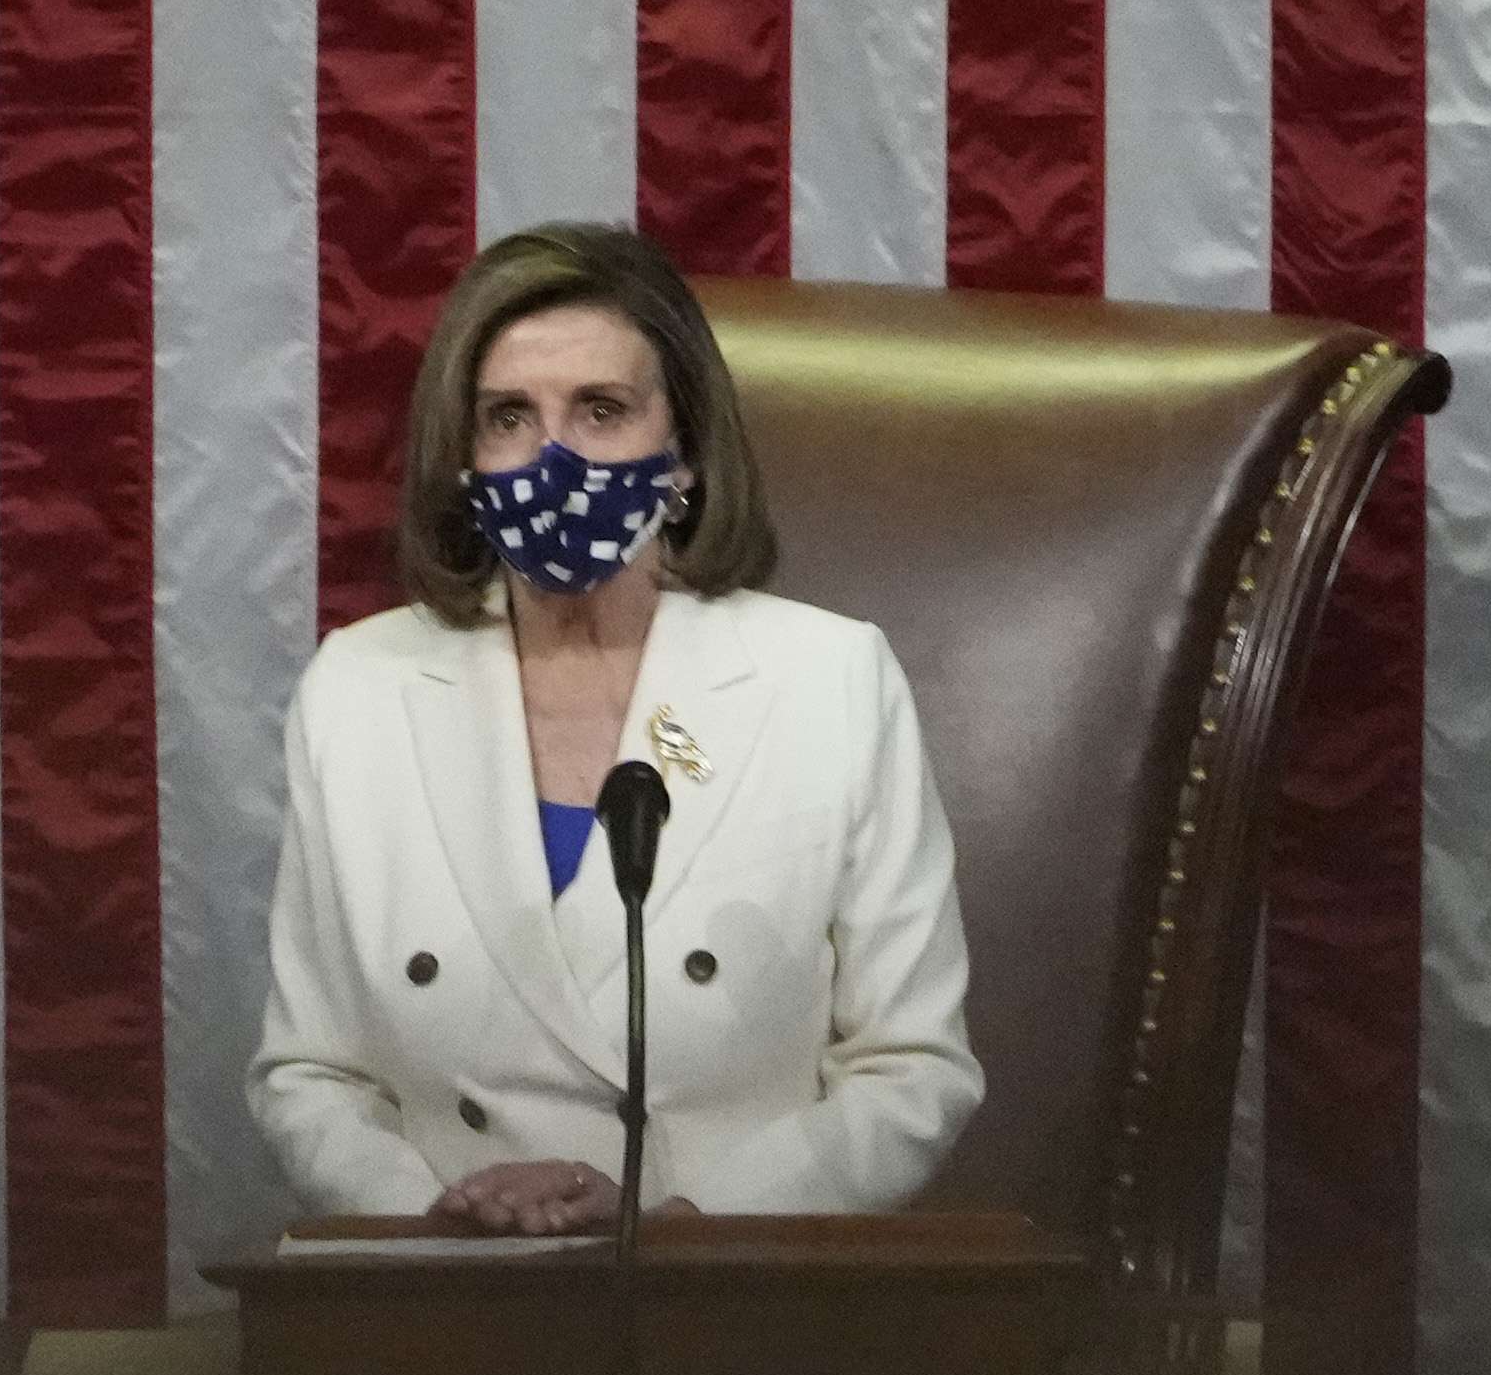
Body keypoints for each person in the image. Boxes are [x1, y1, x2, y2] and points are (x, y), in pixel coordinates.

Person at [255, 222, 981, 1231]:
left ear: (684, 452)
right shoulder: (360, 689)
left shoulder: (827, 680)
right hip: (445, 1287)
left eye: (601, 410)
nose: (552, 458)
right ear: (462, 457)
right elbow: (310, 1075)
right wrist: (445, 1226)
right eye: (509, 416)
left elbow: (912, 1070)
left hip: (721, 1278)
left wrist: (674, 1224)